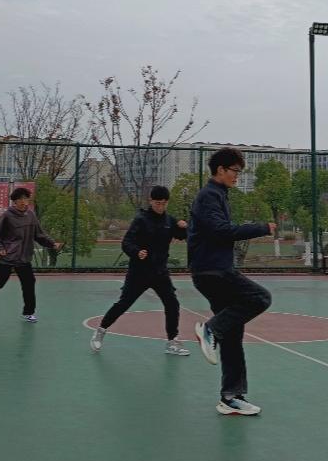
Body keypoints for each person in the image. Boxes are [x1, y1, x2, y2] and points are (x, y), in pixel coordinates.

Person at [189, 147, 275, 416]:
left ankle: (231, 397)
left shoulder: (218, 195)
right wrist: (261, 228)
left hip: (212, 270)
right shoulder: (209, 196)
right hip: (213, 271)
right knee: (260, 297)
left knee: (233, 333)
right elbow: (220, 231)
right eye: (235, 171)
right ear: (220, 170)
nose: (238, 176)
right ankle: (210, 330)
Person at [90, 185, 190, 356]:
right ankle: (100, 331)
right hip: (139, 273)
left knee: (172, 304)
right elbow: (126, 242)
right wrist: (136, 252)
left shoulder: (169, 221)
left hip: (160, 272)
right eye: (157, 203)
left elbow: (182, 235)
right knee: (124, 303)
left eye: (164, 203)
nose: (160, 206)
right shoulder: (141, 220)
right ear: (151, 201)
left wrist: (184, 227)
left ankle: (172, 342)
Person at [0, 186, 62, 322]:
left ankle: (28, 312)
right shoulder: (7, 216)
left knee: (29, 283)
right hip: (7, 257)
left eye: (26, 199)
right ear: (15, 201)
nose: (25, 202)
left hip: (24, 258)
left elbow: (39, 235)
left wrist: (52, 244)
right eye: (21, 199)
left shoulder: (31, 216)